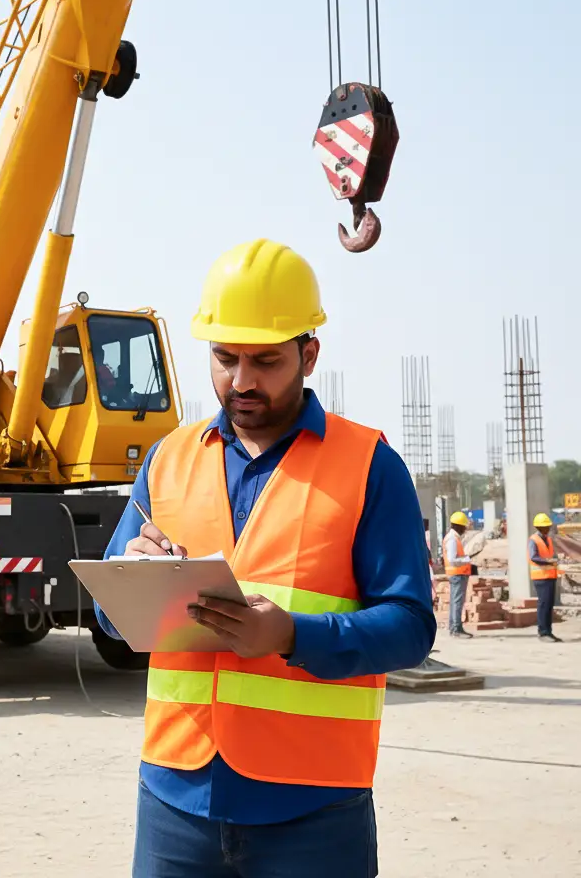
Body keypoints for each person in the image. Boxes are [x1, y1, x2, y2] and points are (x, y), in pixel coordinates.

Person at [94, 238, 436, 878]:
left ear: (309, 354)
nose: (241, 380)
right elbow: (109, 620)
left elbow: (412, 627)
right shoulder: (167, 459)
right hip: (175, 797)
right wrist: (131, 584)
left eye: (266, 361)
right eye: (225, 358)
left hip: (313, 811)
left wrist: (290, 634)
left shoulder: (369, 466)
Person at [529, 512, 561, 643]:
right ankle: (543, 632)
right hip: (540, 577)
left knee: (549, 605)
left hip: (550, 576)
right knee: (543, 604)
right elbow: (533, 557)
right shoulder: (533, 540)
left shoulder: (547, 539)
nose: (548, 529)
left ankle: (549, 631)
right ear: (539, 527)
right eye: (546, 526)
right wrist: (549, 561)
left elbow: (550, 555)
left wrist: (554, 559)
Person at [443, 511, 474, 638]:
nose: (465, 530)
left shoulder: (453, 538)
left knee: (455, 602)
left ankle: (455, 627)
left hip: (456, 574)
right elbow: (452, 559)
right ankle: (456, 629)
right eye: (464, 527)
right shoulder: (452, 539)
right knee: (457, 602)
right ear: (458, 526)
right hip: (457, 574)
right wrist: (466, 559)